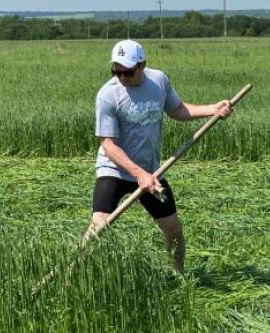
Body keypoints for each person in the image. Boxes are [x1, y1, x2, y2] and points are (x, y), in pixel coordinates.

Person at [87, 39, 232, 273]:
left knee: (173, 229)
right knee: (99, 227)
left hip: (151, 171)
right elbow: (109, 145)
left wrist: (212, 110)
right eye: (116, 71)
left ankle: (179, 277)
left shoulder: (158, 81)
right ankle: (76, 276)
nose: (121, 77)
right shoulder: (107, 95)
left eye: (127, 72)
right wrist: (138, 174)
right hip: (114, 169)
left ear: (142, 65)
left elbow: (177, 109)